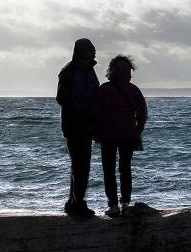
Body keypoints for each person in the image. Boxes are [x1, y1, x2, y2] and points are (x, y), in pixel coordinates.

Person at [92, 55, 147, 218]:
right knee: (125, 170)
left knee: (108, 171)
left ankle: (113, 205)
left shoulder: (104, 89)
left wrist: (95, 133)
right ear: (128, 72)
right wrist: (137, 130)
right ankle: (125, 204)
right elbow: (142, 114)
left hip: (107, 136)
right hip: (127, 135)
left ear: (111, 71)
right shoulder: (133, 90)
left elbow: (95, 113)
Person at [56, 38, 100, 217]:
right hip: (74, 124)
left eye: (92, 53)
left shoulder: (90, 71)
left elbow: (96, 92)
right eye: (88, 53)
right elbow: (61, 98)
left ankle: (74, 201)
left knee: (82, 165)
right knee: (80, 165)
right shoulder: (68, 72)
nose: (91, 57)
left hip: (87, 124)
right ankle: (77, 204)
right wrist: (79, 111)